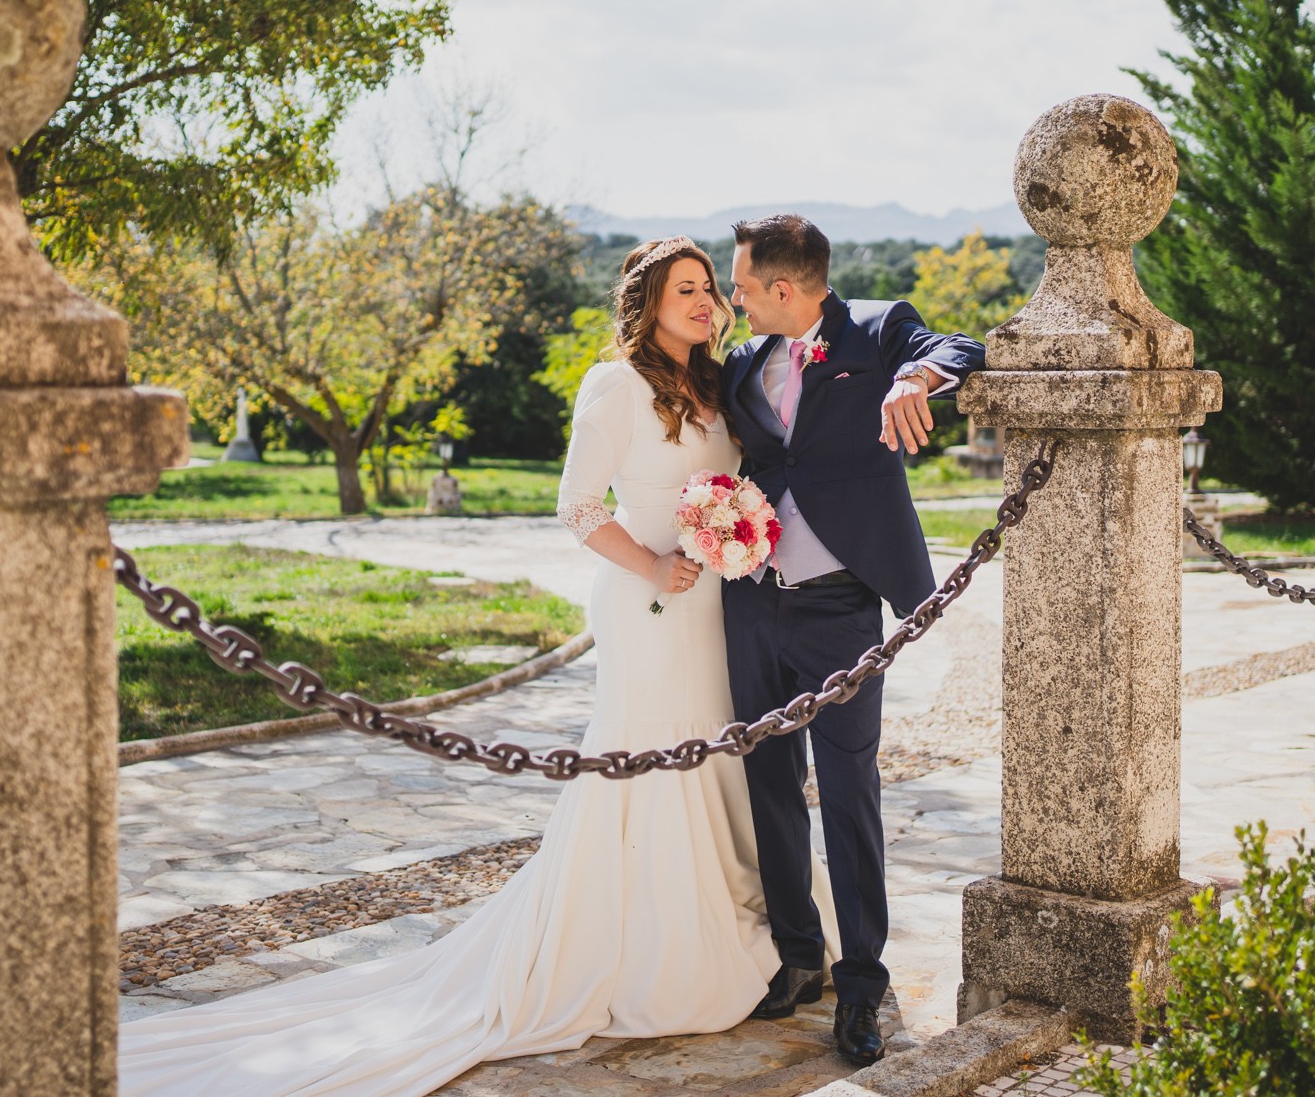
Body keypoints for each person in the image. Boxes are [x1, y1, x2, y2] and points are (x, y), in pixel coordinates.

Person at [118, 236, 834, 1097]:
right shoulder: (616, 384)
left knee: (718, 757)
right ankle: (658, 949)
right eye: (684, 287)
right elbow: (575, 503)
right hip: (647, 606)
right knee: (652, 761)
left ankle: (757, 921)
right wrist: (651, 566)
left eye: (708, 287)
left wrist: (733, 533)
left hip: (712, 607)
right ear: (647, 303)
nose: (702, 298)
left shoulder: (718, 386)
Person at [722, 213, 986, 1064]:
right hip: (753, 605)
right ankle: (800, 958)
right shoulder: (742, 363)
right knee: (769, 780)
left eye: (741, 284)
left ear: (783, 289)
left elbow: (961, 345)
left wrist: (915, 380)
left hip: (840, 615)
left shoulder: (875, 331)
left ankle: (861, 984)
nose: (734, 297)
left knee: (849, 795)